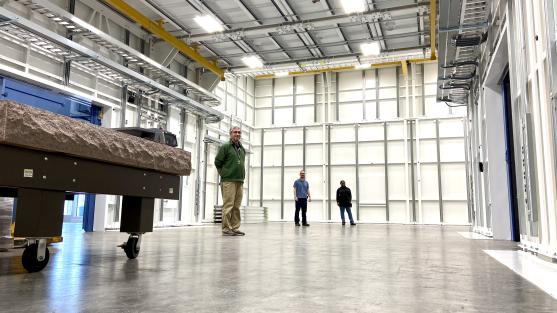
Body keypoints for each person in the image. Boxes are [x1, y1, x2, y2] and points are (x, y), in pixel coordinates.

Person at [214, 126, 246, 236]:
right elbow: (218, 162)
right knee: (228, 205)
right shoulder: (226, 147)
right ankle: (226, 228)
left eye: (239, 132)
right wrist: (224, 174)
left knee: (236, 206)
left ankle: (235, 227)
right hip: (228, 181)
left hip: (239, 181)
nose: (237, 134)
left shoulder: (242, 149)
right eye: (235, 132)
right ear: (230, 134)